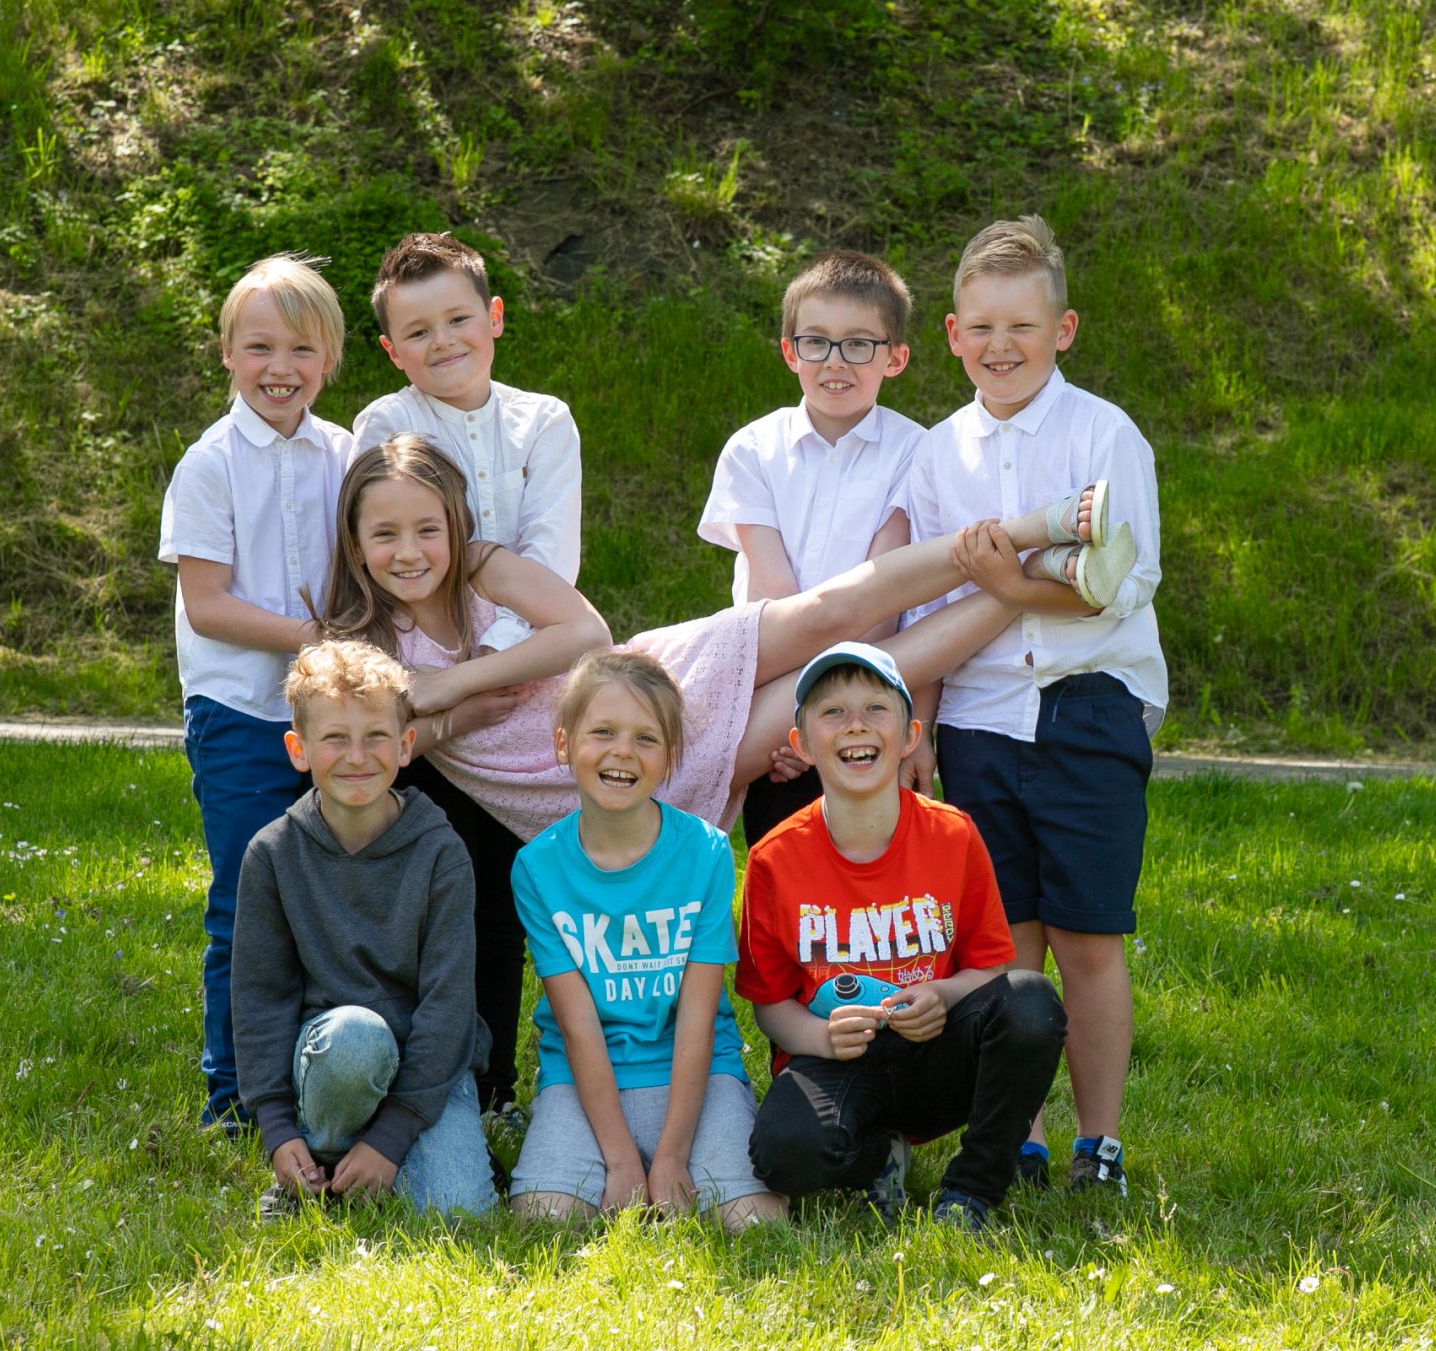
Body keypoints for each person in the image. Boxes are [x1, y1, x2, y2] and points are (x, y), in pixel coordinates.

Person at [321, 433, 1129, 845]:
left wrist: (454, 687)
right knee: (848, 682)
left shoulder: (481, 567)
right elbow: (385, 740)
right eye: (384, 535)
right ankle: (1043, 580)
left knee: (826, 611)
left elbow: (585, 633)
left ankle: (1037, 528)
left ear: (455, 527)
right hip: (618, 764)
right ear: (355, 546)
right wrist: (454, 717)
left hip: (646, 678)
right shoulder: (359, 641)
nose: (409, 552)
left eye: (427, 529)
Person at [904, 215, 1168, 1196]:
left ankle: (1100, 1145)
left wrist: (1009, 587)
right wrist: (921, 722)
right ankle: (1017, 1136)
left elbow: (1118, 584)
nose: (1000, 345)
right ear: (952, 335)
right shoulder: (938, 454)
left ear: (1063, 329)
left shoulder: (1104, 434)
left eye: (1021, 325)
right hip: (977, 718)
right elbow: (928, 612)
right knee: (1006, 941)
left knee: (1089, 938)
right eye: (981, 327)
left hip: (1087, 708)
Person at [350, 231, 585, 1123]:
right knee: (437, 882)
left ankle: (494, 1092)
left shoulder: (544, 421)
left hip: (524, 670)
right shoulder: (384, 425)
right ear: (392, 350)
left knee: (503, 892)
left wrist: (493, 669)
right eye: (418, 332)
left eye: (458, 319)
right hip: (423, 673)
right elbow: (380, 549)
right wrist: (458, 683)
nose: (442, 342)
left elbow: (552, 561)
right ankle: (427, 1073)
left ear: (494, 318)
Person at [735, 643, 1067, 1229]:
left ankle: (972, 1190)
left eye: (875, 708)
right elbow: (769, 1004)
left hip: (936, 1050)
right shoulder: (774, 859)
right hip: (838, 1058)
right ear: (802, 744)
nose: (855, 724)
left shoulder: (953, 835)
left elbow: (991, 969)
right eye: (832, 712)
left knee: (1031, 1002)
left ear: (911, 736)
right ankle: (875, 1156)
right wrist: (821, 1037)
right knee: (783, 1154)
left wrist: (941, 995)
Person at [157, 253, 357, 1132]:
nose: (281, 367)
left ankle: (329, 1077)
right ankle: (234, 1094)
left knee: (334, 897)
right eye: (260, 347)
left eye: (302, 349)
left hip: (336, 714)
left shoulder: (346, 455)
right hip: (239, 713)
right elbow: (207, 605)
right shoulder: (210, 463)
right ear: (228, 354)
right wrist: (317, 638)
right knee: (247, 901)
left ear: (330, 359)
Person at [507, 651, 787, 1230]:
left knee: (754, 1223)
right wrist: (619, 1160)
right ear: (564, 744)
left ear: (670, 757)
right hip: (585, 1080)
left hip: (694, 1077)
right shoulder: (537, 868)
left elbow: (698, 1018)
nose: (623, 752)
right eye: (602, 732)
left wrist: (671, 1158)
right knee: (543, 1219)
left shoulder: (706, 853)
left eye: (646, 738)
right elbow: (577, 1026)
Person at [233, 640, 495, 1216]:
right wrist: (277, 1127)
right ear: (299, 750)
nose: (357, 756)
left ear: (405, 745)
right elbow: (260, 1001)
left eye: (376, 736)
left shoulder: (441, 852)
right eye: (335, 738)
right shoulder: (272, 855)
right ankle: (317, 1164)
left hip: (429, 1070)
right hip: (334, 1060)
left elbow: (449, 1006)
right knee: (356, 1038)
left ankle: (370, 1163)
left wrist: (392, 1136)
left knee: (460, 1215)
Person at [697, 251, 928, 845]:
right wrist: (793, 718)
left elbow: (883, 601)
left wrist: (824, 717)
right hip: (770, 689)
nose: (836, 361)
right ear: (789, 351)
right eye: (817, 342)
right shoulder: (753, 449)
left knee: (869, 860)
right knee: (781, 852)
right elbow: (774, 598)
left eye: (859, 344)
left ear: (895, 358)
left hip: (868, 693)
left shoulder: (917, 454)